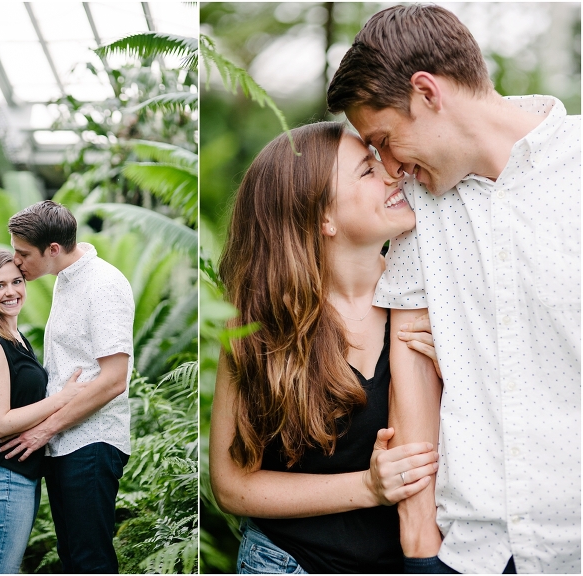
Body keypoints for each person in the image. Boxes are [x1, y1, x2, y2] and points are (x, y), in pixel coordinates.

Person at [327, 4, 580, 574]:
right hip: (469, 553)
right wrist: (419, 543)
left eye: (385, 139)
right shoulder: (416, 205)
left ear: (426, 93)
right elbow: (411, 372)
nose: (389, 167)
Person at [210, 121, 443, 574]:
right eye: (366, 171)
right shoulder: (258, 326)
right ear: (323, 218)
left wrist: (461, 369)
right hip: (288, 562)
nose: (393, 173)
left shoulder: (431, 296)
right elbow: (232, 485)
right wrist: (368, 487)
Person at [0, 200, 134, 574]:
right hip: (63, 441)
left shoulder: (103, 285)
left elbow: (113, 381)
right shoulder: (65, 280)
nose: (17, 262)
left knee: (90, 560)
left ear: (53, 249)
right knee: (72, 557)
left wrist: (44, 429)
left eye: (23, 254)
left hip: (91, 442)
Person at [0, 249, 84, 574]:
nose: (11, 291)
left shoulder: (15, 337)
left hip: (16, 474)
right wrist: (63, 398)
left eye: (17, 281)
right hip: (4, 474)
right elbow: (1, 423)